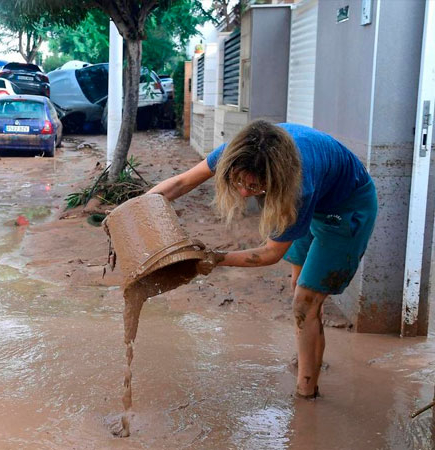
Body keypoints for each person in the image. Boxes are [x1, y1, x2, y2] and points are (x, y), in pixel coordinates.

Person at [147, 120, 377, 399]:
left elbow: (269, 253)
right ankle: (309, 355)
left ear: (274, 178)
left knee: (305, 300)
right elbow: (182, 182)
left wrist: (210, 259)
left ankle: (307, 392)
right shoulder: (239, 152)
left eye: (255, 186)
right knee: (298, 286)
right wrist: (132, 210)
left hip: (347, 207)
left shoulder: (298, 188)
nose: (244, 193)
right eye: (240, 182)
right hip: (318, 194)